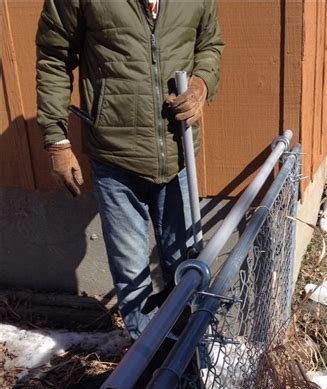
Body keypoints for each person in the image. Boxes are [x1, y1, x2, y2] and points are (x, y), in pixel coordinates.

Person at [36, 0, 223, 339]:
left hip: (178, 156)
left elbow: (209, 44)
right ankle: (147, 364)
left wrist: (201, 85)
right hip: (114, 157)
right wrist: (56, 141)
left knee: (185, 266)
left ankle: (186, 359)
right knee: (132, 274)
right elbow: (54, 56)